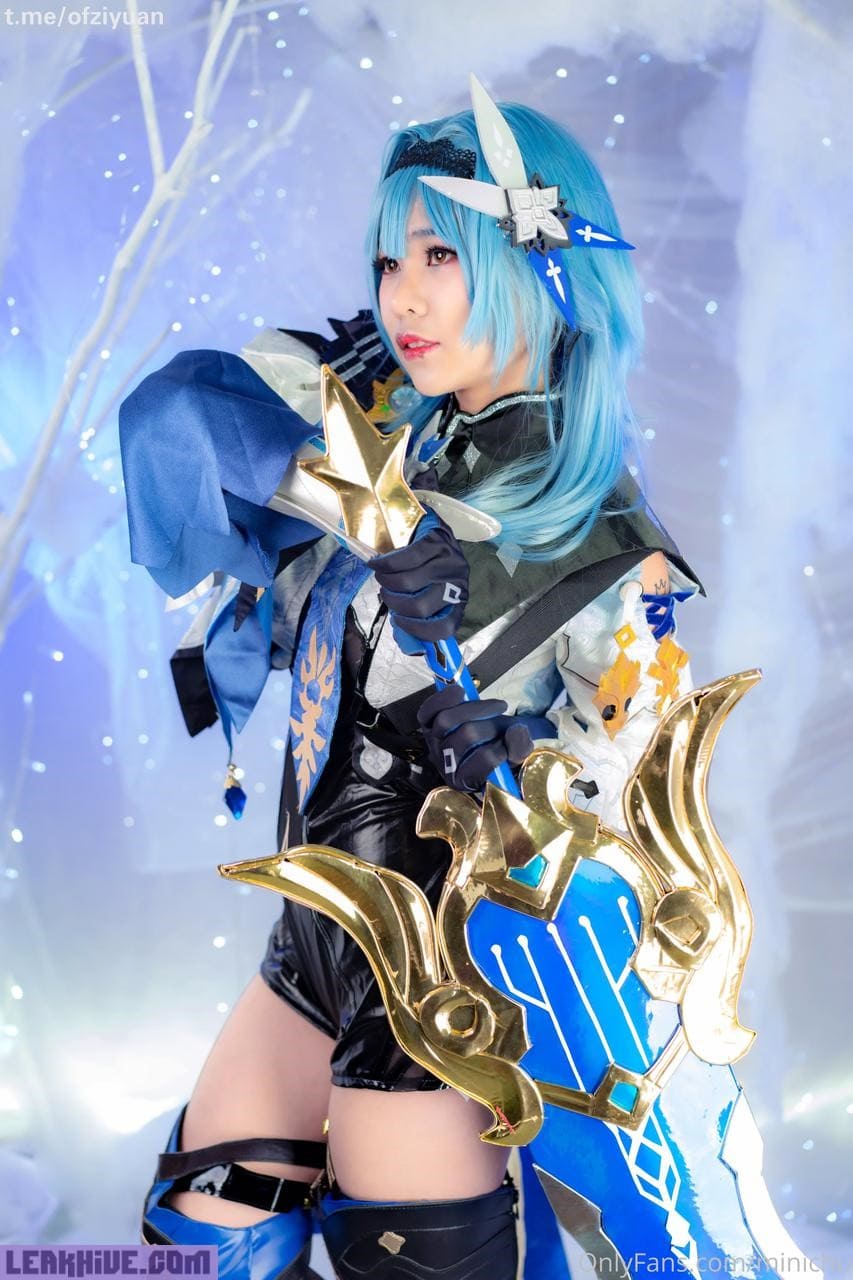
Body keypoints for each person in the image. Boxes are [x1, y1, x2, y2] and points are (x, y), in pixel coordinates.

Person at [119, 75, 699, 1280]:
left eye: (442, 254)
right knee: (199, 1237)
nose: (404, 294)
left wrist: (525, 769)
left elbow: (638, 807)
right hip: (312, 938)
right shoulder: (380, 411)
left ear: (540, 263)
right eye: (391, 259)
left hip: (437, 984)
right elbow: (173, 414)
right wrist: (348, 503)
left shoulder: (607, 539)